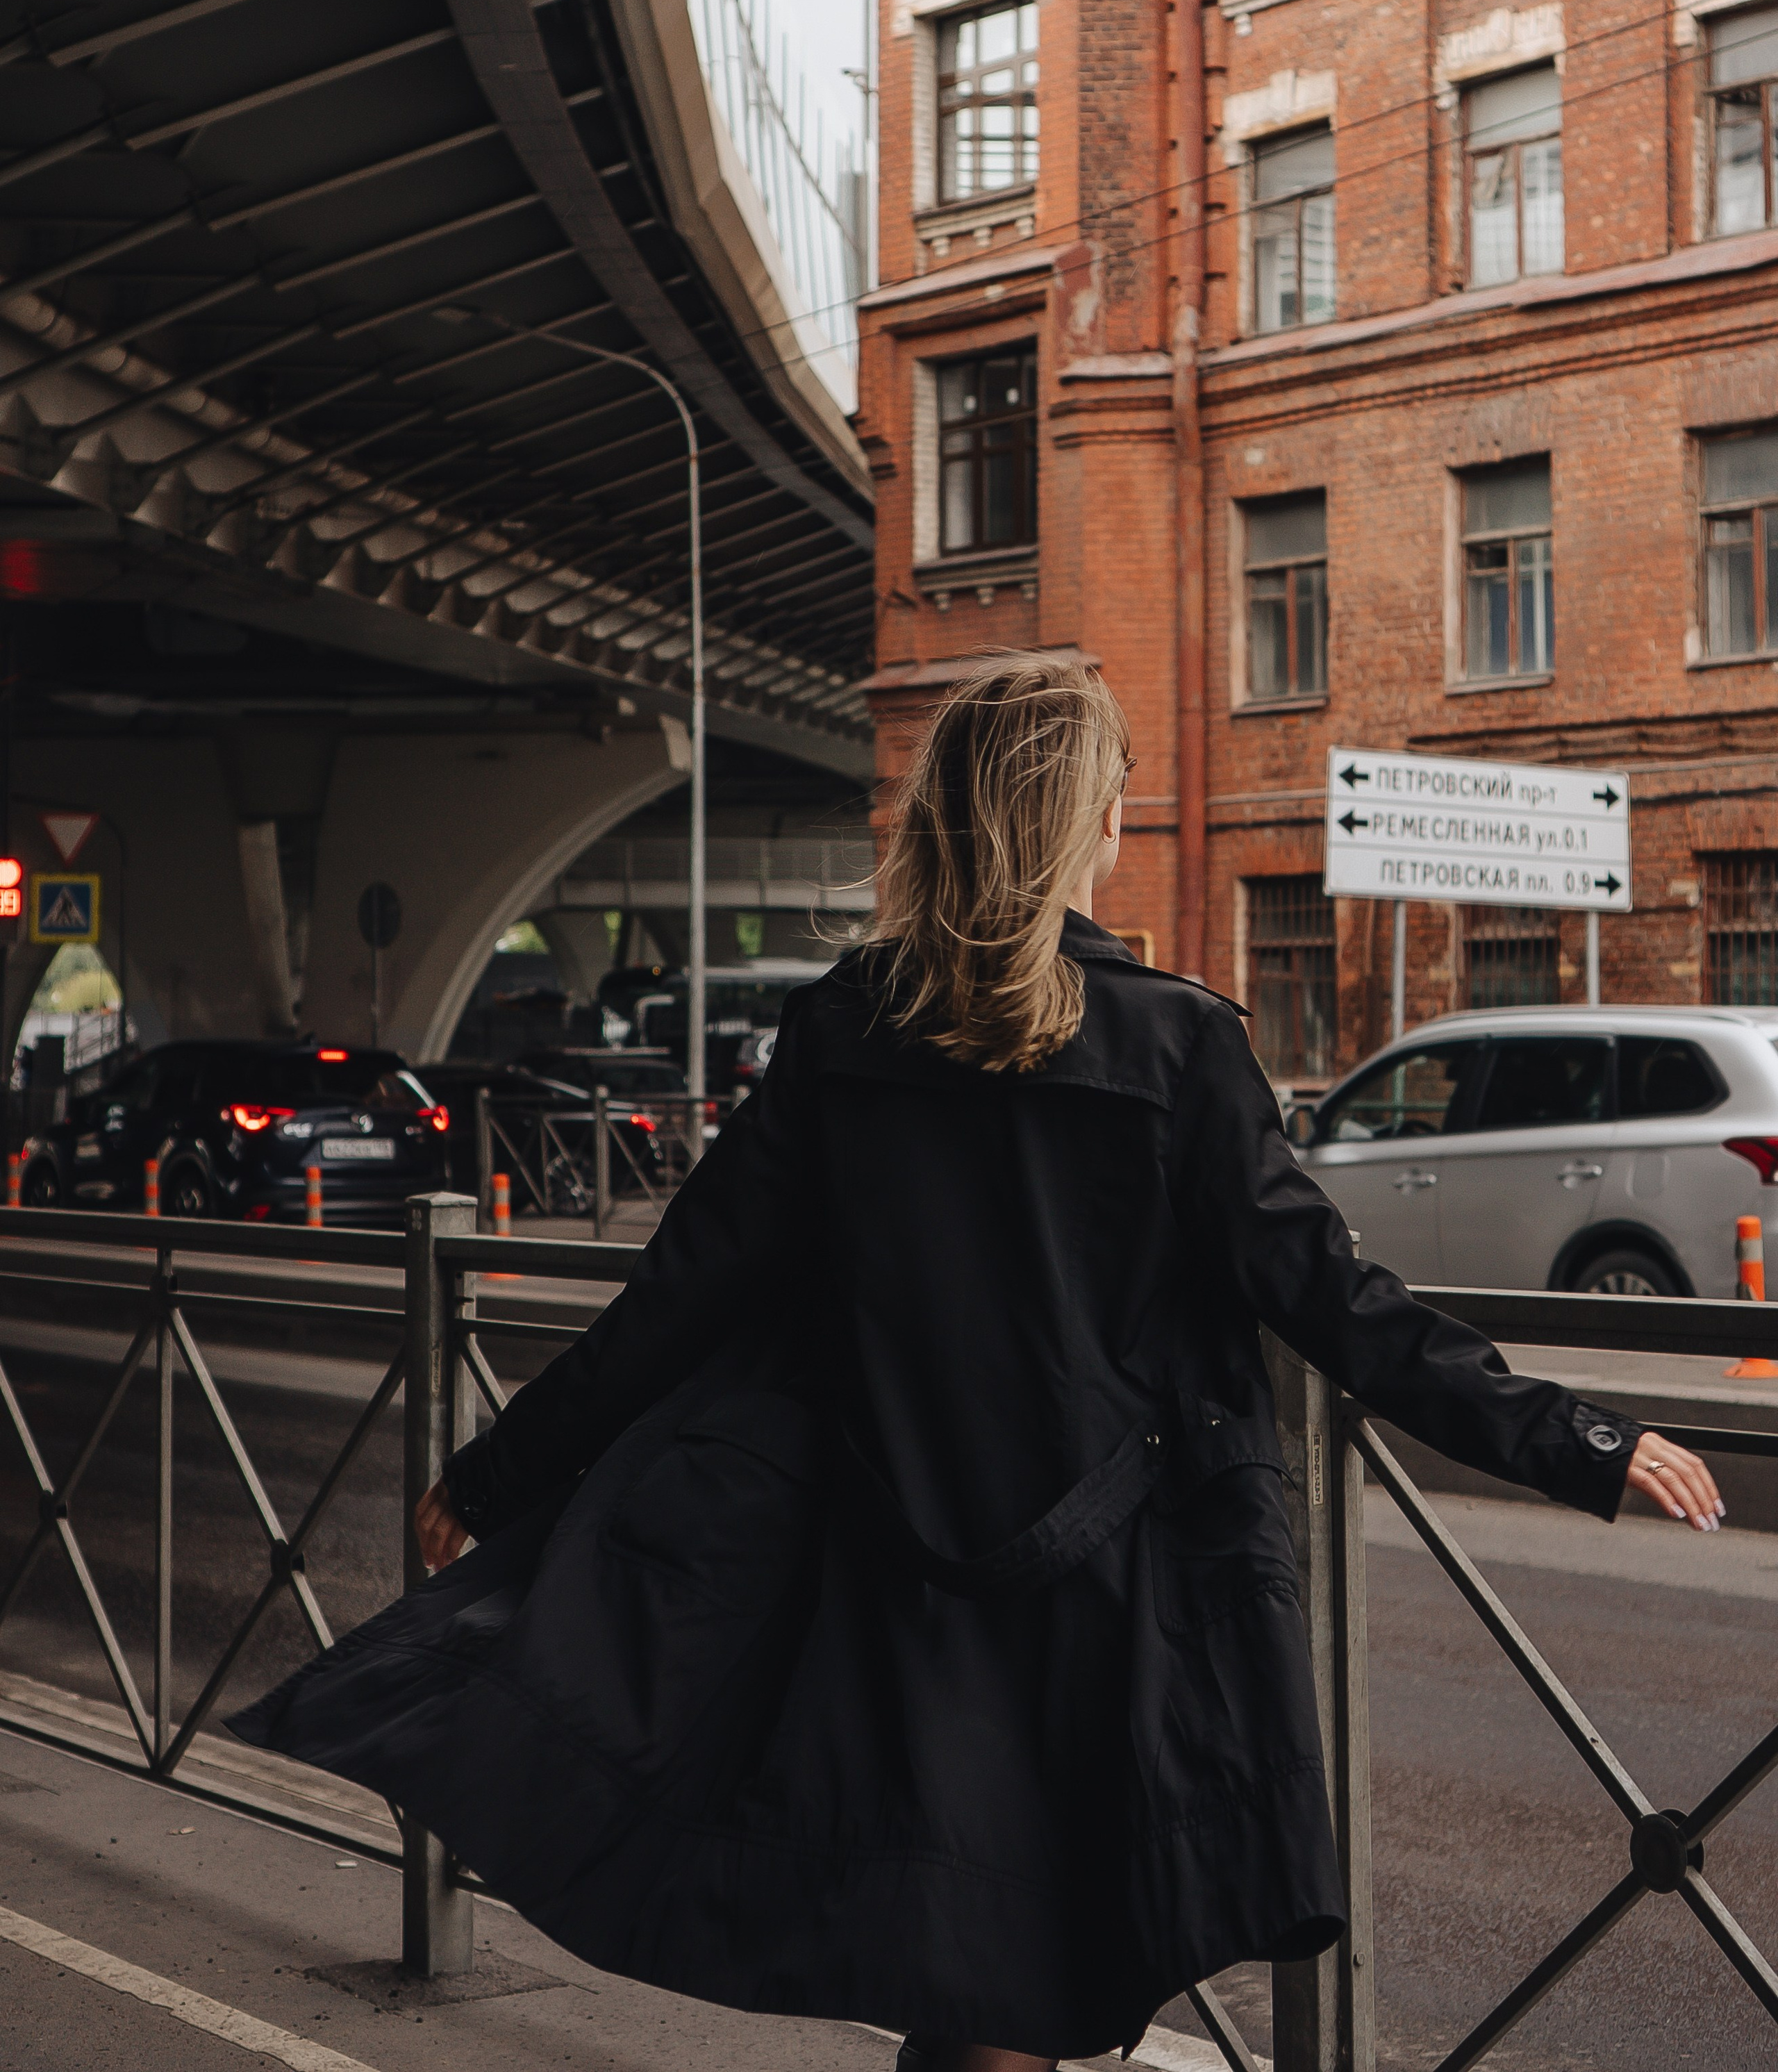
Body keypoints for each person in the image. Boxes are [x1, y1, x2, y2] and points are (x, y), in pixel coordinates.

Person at [232, 652, 1722, 2072]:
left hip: (880, 1574)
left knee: (965, 1963)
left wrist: (500, 1470)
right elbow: (1330, 1301)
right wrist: (1574, 1444)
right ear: (1089, 820)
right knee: (1007, 1974)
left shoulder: (843, 1029)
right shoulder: (1175, 1045)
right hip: (1101, 1597)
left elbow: (679, 1294)